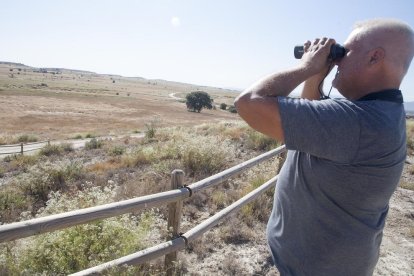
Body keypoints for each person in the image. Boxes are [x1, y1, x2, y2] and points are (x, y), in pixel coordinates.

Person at [234, 18, 414, 275]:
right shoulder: (380, 114)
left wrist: (307, 67)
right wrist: (317, 76)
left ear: (374, 58)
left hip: (318, 267)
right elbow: (312, 121)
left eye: (345, 51)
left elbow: (249, 103)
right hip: (327, 262)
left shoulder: (359, 123)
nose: (337, 59)